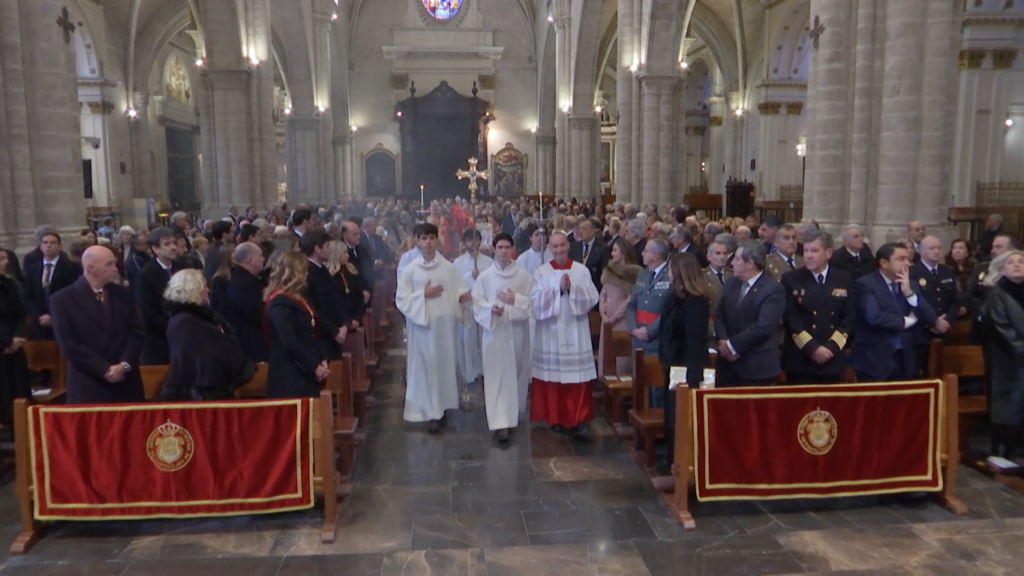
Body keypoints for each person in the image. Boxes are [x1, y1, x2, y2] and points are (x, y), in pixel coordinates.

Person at [396, 223, 470, 433]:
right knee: (425, 369)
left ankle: (443, 408)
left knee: (443, 367)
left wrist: (462, 297)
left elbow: (459, 289)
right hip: (422, 329)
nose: (428, 242)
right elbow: (401, 300)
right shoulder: (410, 270)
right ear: (417, 240)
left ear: (437, 240)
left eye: (431, 238)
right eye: (424, 238)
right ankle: (429, 413)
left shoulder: (448, 267)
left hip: (444, 329)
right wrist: (423, 295)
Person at [50, 246, 144, 404]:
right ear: (90, 268)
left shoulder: (122, 293)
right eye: (109, 264)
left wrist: (124, 365)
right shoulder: (62, 299)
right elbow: (69, 344)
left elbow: (136, 332)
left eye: (115, 263)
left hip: (126, 381)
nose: (115, 269)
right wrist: (104, 370)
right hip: (89, 382)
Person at [530, 231, 600, 436]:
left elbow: (592, 296)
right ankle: (555, 418)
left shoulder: (581, 270)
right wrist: (557, 290)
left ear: (568, 246)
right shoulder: (541, 272)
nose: (559, 249)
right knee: (554, 376)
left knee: (577, 376)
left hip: (575, 329)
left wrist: (573, 289)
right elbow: (534, 300)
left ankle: (579, 418)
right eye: (555, 246)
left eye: (562, 245)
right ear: (549, 248)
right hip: (551, 331)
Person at [471, 233, 534, 442]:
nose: (504, 251)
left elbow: (532, 303)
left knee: (514, 374)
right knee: (495, 376)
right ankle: (499, 422)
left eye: (508, 247)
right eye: (500, 247)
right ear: (494, 249)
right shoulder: (485, 277)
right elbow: (477, 303)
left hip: (516, 332)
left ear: (513, 249)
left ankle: (511, 416)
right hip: (494, 333)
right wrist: (492, 309)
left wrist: (515, 300)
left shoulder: (523, 276)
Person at [161, 270, 255, 401]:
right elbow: (216, 354)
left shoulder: (187, 319)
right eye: (204, 286)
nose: (208, 290)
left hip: (203, 389)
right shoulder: (188, 322)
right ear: (193, 290)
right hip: (201, 393)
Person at [849, 243, 937, 383]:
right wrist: (907, 321)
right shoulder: (865, 284)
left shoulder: (911, 285)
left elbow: (931, 318)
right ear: (884, 263)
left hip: (905, 359)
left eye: (908, 259)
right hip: (875, 359)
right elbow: (875, 317)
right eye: (901, 259)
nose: (907, 263)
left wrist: (909, 294)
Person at [780, 230, 855, 384]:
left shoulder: (843, 278)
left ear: (828, 253)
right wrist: (813, 348)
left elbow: (849, 317)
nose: (808, 255)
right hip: (801, 358)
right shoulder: (791, 278)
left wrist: (831, 347)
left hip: (832, 356)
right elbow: (791, 318)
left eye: (814, 250)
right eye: (806, 250)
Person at [660, 252, 711, 467]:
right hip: (672, 365)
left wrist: (692, 378)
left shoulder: (696, 303)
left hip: (687, 369)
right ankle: (674, 463)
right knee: (672, 419)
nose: (668, 272)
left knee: (683, 419)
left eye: (671, 268)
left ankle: (685, 467)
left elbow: (695, 341)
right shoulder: (675, 297)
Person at [714, 241, 786, 387]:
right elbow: (720, 314)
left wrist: (732, 346)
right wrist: (724, 341)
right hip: (727, 366)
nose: (732, 262)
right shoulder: (731, 283)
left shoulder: (772, 289)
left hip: (756, 366)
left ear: (750, 263)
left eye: (737, 259)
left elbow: (763, 326)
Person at [264, 252, 329, 398]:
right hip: (291, 374)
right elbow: (289, 341)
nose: (307, 274)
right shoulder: (279, 303)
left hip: (305, 369)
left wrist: (321, 358)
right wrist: (314, 367)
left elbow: (311, 332)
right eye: (304, 270)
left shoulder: (297, 297)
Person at [981, 250, 1024, 459]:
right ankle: (1000, 451)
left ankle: (1016, 451)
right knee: (1007, 406)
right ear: (1002, 269)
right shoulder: (997, 295)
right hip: (1006, 359)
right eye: (1011, 262)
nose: (1017, 265)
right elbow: (1001, 328)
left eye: (1021, 261)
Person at [910, 236, 961, 375]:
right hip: (921, 332)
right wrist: (933, 322)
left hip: (944, 330)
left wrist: (947, 320)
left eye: (939, 248)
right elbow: (913, 303)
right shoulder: (912, 272)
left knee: (941, 371)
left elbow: (955, 301)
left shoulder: (947, 271)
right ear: (920, 250)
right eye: (932, 248)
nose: (937, 251)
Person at [136, 228, 186, 365]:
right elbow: (149, 313)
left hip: (185, 337)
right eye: (167, 244)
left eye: (174, 243)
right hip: (160, 340)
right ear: (156, 249)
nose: (173, 247)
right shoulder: (146, 275)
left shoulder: (183, 267)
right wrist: (175, 327)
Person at [300, 229, 350, 360]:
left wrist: (345, 323)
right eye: (327, 246)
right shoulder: (307, 274)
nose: (330, 250)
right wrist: (334, 332)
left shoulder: (323, 270)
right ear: (317, 249)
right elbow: (313, 309)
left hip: (335, 332)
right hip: (321, 337)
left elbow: (335, 300)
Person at [23, 232, 82, 340]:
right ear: (40, 246)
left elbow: (74, 295)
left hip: (62, 322)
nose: (48, 245)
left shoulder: (72, 268)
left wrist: (52, 316)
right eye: (45, 242)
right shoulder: (32, 269)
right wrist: (39, 316)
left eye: (53, 242)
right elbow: (28, 296)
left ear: (60, 246)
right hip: (39, 324)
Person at [453, 229, 493, 386]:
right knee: (468, 340)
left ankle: (485, 371)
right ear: (465, 243)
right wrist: (470, 277)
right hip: (468, 306)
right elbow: (455, 284)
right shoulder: (458, 263)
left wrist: (480, 277)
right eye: (470, 240)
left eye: (476, 240)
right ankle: (469, 372)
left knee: (484, 339)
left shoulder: (488, 262)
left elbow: (492, 282)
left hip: (483, 307)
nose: (473, 244)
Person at [597, 238, 641, 376]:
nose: (612, 254)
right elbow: (603, 293)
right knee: (606, 353)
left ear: (623, 252)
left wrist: (615, 316)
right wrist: (603, 312)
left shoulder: (633, 273)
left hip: (622, 320)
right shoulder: (609, 270)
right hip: (607, 320)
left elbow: (630, 299)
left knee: (620, 358)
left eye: (615, 250)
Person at [0, 249, 30, 433]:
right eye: (1, 259)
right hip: (2, 347)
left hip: (14, 348)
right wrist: (5, 341)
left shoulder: (11, 284)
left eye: (6, 258)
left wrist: (16, 339)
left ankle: (19, 434)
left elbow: (21, 314)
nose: (5, 262)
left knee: (18, 392)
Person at [223, 242, 269, 362]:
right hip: (252, 344)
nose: (263, 259)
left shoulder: (255, 279)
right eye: (260, 256)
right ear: (251, 259)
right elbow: (256, 312)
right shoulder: (241, 285)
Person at [627, 238, 672, 357]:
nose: (642, 253)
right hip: (638, 340)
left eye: (645, 251)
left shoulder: (670, 275)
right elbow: (632, 304)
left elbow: (671, 310)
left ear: (655, 255)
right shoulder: (643, 274)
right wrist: (634, 329)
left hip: (658, 339)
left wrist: (649, 331)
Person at [327, 240, 367, 328]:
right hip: (339, 322)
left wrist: (357, 318)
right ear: (336, 254)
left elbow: (360, 295)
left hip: (356, 319)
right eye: (344, 253)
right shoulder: (329, 275)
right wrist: (347, 320)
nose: (348, 255)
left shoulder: (352, 271)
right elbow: (333, 302)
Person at [569, 218, 609, 292]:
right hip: (576, 289)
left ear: (593, 231)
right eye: (579, 229)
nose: (580, 232)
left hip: (594, 289)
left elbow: (604, 272)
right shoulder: (574, 246)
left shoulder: (602, 248)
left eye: (584, 229)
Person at [946, 239, 975, 316]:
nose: (957, 251)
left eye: (961, 248)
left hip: (971, 308)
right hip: (950, 309)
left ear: (967, 253)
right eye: (954, 248)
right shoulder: (945, 269)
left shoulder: (974, 269)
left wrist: (966, 306)